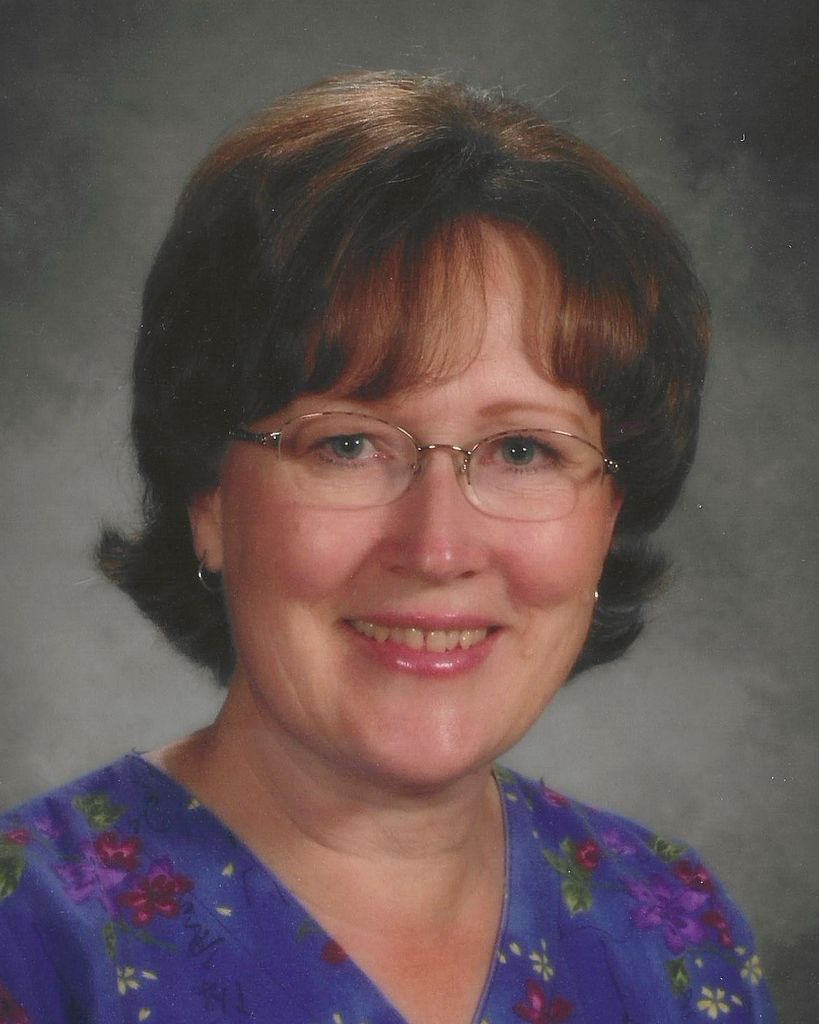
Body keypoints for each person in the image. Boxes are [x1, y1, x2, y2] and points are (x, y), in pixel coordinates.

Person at [0, 71, 775, 1023]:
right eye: (348, 445)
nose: (438, 547)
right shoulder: (28, 940)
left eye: (523, 450)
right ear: (208, 499)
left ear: (609, 514)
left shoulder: (679, 930)